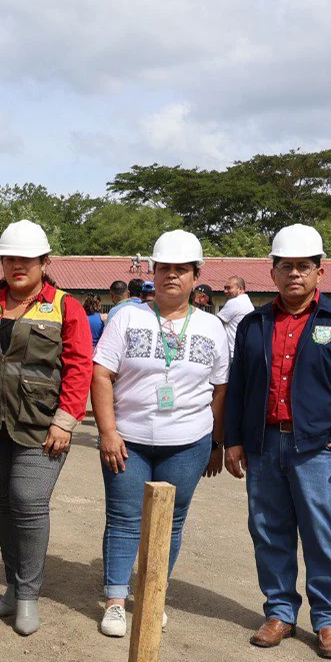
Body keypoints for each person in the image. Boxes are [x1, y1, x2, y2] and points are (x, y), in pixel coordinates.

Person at [224, 224, 331, 660]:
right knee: (269, 531)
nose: (295, 274)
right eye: (286, 266)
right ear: (271, 271)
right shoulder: (254, 324)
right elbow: (238, 385)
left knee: (321, 535)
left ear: (320, 272)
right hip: (263, 445)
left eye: (304, 267)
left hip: (318, 450)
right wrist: (233, 440)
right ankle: (279, 611)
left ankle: (330, 621)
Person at [90, 229, 229, 638]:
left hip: (188, 443)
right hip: (128, 440)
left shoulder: (211, 326)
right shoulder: (127, 317)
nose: (172, 276)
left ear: (195, 275)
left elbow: (221, 388)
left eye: (181, 269)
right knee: (124, 519)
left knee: (171, 521)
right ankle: (116, 600)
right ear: (153, 272)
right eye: (164, 268)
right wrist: (108, 431)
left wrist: (216, 443)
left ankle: (152, 595)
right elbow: (101, 375)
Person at [0, 221, 93, 635]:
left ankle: (28, 594)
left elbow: (79, 368)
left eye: (26, 259)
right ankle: (11, 587)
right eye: (10, 258)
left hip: (42, 427)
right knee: (5, 506)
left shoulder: (64, 306)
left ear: (44, 262)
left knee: (28, 500)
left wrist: (66, 421)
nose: (17, 265)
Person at [217, 275, 255, 354]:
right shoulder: (247, 302)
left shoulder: (235, 302)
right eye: (225, 288)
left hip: (231, 352)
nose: (225, 291)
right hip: (241, 351)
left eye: (229, 288)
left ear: (240, 289)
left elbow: (215, 323)